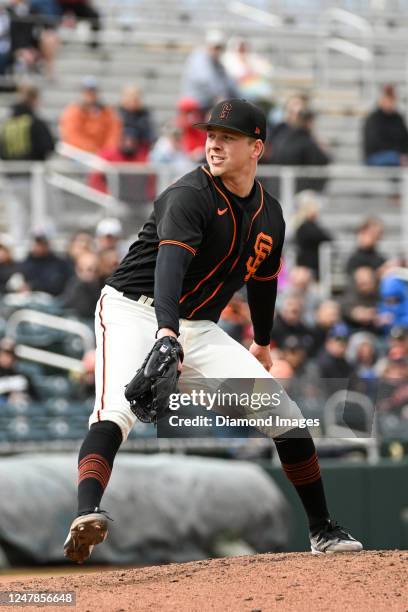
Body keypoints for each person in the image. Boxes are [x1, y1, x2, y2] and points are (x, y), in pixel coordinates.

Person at [63, 98, 362, 564]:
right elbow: (169, 268)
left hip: (198, 326)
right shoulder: (189, 195)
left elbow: (263, 283)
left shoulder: (272, 214)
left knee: (285, 417)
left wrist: (262, 341)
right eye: (211, 135)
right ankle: (86, 513)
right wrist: (165, 334)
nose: (215, 144)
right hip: (133, 310)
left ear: (256, 147)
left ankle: (323, 530)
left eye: (228, 137)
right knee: (115, 411)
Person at [59, 76, 121, 154]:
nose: (90, 94)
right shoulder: (72, 112)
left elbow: (113, 133)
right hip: (78, 154)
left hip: (103, 154)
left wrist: (107, 150)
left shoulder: (107, 111)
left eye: (93, 91)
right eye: (87, 91)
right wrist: (91, 149)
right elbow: (72, 135)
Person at [181, 30, 239, 110]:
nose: (217, 51)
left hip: (208, 101)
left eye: (220, 48)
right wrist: (220, 95)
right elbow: (206, 79)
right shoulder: (200, 58)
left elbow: (228, 81)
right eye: (215, 47)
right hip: (199, 100)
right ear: (208, 46)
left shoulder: (217, 63)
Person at [363, 84, 408, 166]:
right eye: (387, 98)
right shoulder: (373, 119)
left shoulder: (398, 118)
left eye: (391, 99)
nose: (389, 102)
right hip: (375, 156)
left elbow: (404, 139)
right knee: (394, 158)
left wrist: (402, 153)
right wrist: (398, 154)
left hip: (397, 155)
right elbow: (374, 143)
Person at [293, 190, 331, 279]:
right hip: (308, 269)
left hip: (313, 267)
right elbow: (326, 237)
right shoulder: (305, 227)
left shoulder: (308, 226)